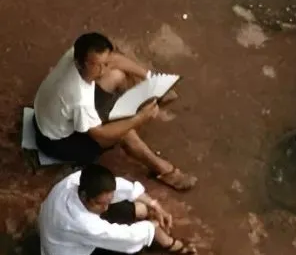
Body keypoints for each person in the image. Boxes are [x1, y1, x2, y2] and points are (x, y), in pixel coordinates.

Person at [32, 33, 196, 192]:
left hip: (52, 114)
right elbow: (101, 135)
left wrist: (150, 77)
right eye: (98, 66)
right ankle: (163, 169)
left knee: (117, 75)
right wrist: (139, 118)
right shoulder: (79, 98)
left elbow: (114, 60)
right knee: (125, 133)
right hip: (56, 141)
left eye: (105, 63)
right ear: (80, 62)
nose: (103, 69)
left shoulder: (79, 51)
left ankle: (137, 101)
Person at [38, 163, 195, 255]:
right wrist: (151, 226)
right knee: (124, 246)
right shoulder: (82, 223)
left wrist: (154, 205)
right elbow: (127, 238)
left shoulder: (75, 182)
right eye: (100, 204)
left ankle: (159, 234)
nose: (105, 208)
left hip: (58, 238)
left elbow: (119, 186)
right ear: (85, 195)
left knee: (132, 208)